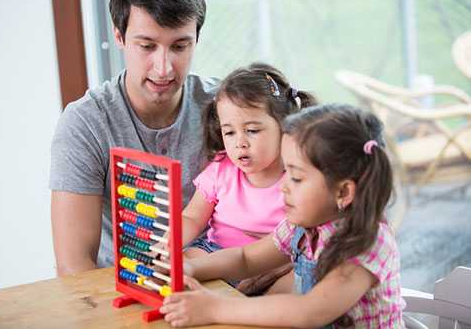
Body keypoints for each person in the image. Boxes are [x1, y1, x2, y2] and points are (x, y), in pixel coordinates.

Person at [160, 104, 406, 328]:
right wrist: (189, 267)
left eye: (296, 177)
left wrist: (215, 308)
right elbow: (246, 258)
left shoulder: (367, 244)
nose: (283, 186)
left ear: (343, 191)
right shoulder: (302, 226)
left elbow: (309, 312)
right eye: (285, 171)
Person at [49, 0, 218, 276]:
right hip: (125, 293)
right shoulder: (85, 123)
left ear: (196, 39)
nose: (163, 68)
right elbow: (73, 267)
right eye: (147, 46)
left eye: (179, 46)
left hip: (217, 281)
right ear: (119, 36)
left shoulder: (225, 108)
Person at [181, 63, 317, 261]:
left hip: (273, 264)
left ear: (285, 126)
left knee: (297, 281)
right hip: (217, 253)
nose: (240, 143)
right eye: (229, 132)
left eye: (252, 130)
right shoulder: (220, 169)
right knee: (186, 260)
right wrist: (168, 243)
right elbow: (192, 217)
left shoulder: (297, 178)